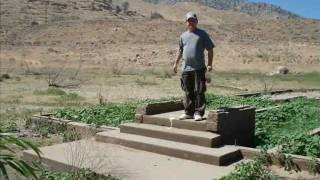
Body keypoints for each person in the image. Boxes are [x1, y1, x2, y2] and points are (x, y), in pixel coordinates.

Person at [173, 12, 215, 121]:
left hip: (199, 68)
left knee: (199, 91)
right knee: (187, 91)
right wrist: (176, 63)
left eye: (193, 20)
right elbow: (180, 50)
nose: (191, 22)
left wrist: (210, 64)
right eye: (189, 20)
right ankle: (188, 112)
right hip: (186, 68)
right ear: (186, 22)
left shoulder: (202, 34)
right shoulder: (183, 36)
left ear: (197, 22)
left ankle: (198, 113)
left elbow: (210, 49)